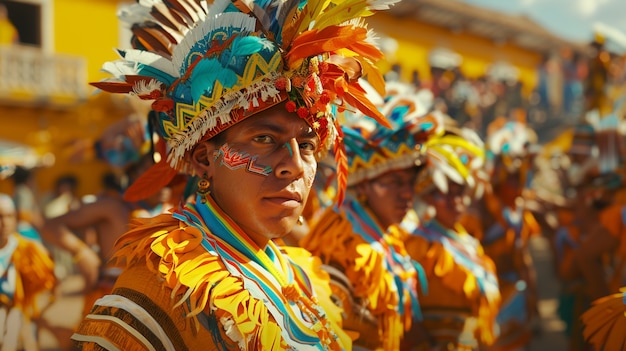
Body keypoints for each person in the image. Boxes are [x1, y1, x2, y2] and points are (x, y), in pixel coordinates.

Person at [70, 0, 395, 349]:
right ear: (203, 160)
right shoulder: (163, 287)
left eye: (307, 145)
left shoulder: (304, 275)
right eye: (264, 139)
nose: (295, 166)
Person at [300, 82, 430, 350]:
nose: (407, 194)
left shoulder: (387, 235)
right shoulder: (341, 244)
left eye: (409, 183)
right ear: (362, 184)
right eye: (394, 182)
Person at [401, 121, 501, 350]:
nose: (455, 201)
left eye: (460, 193)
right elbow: (405, 306)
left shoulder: (469, 243)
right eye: (446, 193)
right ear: (428, 196)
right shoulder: (417, 243)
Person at [0, 193, 56, 351]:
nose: (4, 222)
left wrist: (33, 314)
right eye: (0, 216)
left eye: (9, 216)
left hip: (19, 317)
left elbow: (48, 287)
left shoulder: (29, 250)